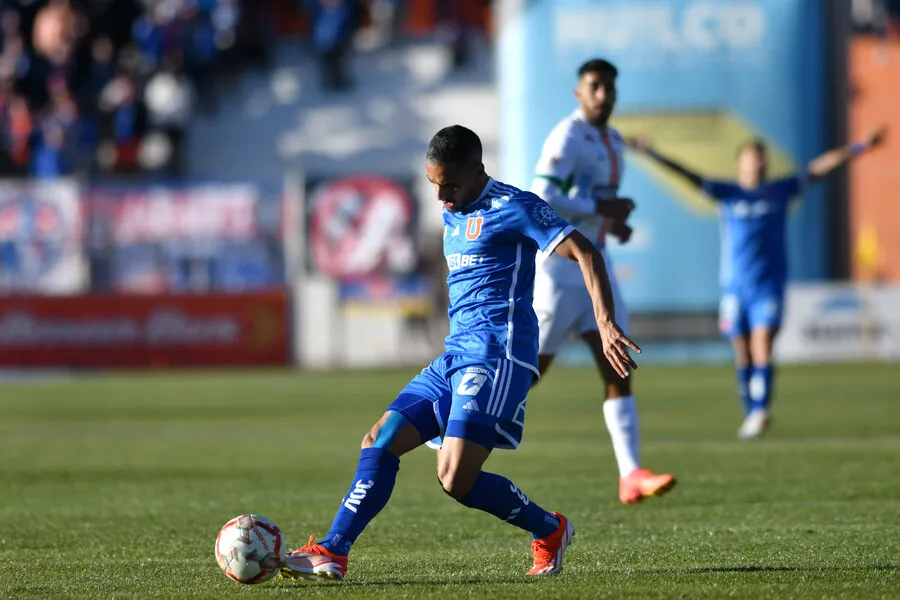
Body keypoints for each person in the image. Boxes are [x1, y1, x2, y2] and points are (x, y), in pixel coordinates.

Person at [280, 124, 640, 581]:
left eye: (449, 184)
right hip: (454, 355)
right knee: (379, 439)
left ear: (477, 171)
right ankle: (333, 550)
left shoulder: (515, 206)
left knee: (454, 478)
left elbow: (586, 252)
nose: (441, 196)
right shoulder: (452, 209)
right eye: (434, 184)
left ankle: (551, 530)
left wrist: (606, 322)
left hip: (498, 354)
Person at [628, 126, 887, 438]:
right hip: (734, 286)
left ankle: (761, 410)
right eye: (753, 158)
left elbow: (820, 167)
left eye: (762, 158)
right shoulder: (727, 193)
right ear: (739, 163)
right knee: (743, 352)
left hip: (768, 285)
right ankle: (751, 412)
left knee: (762, 343)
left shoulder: (780, 190)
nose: (759, 163)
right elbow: (687, 175)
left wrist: (859, 147)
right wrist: (652, 153)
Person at [529, 58, 675, 504]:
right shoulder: (568, 136)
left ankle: (631, 474)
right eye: (594, 86)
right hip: (560, 271)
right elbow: (541, 195)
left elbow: (598, 204)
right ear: (578, 91)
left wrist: (614, 224)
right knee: (527, 374)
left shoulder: (612, 139)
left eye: (608, 87)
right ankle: (451, 421)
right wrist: (600, 208)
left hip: (599, 266)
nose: (602, 94)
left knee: (618, 362)